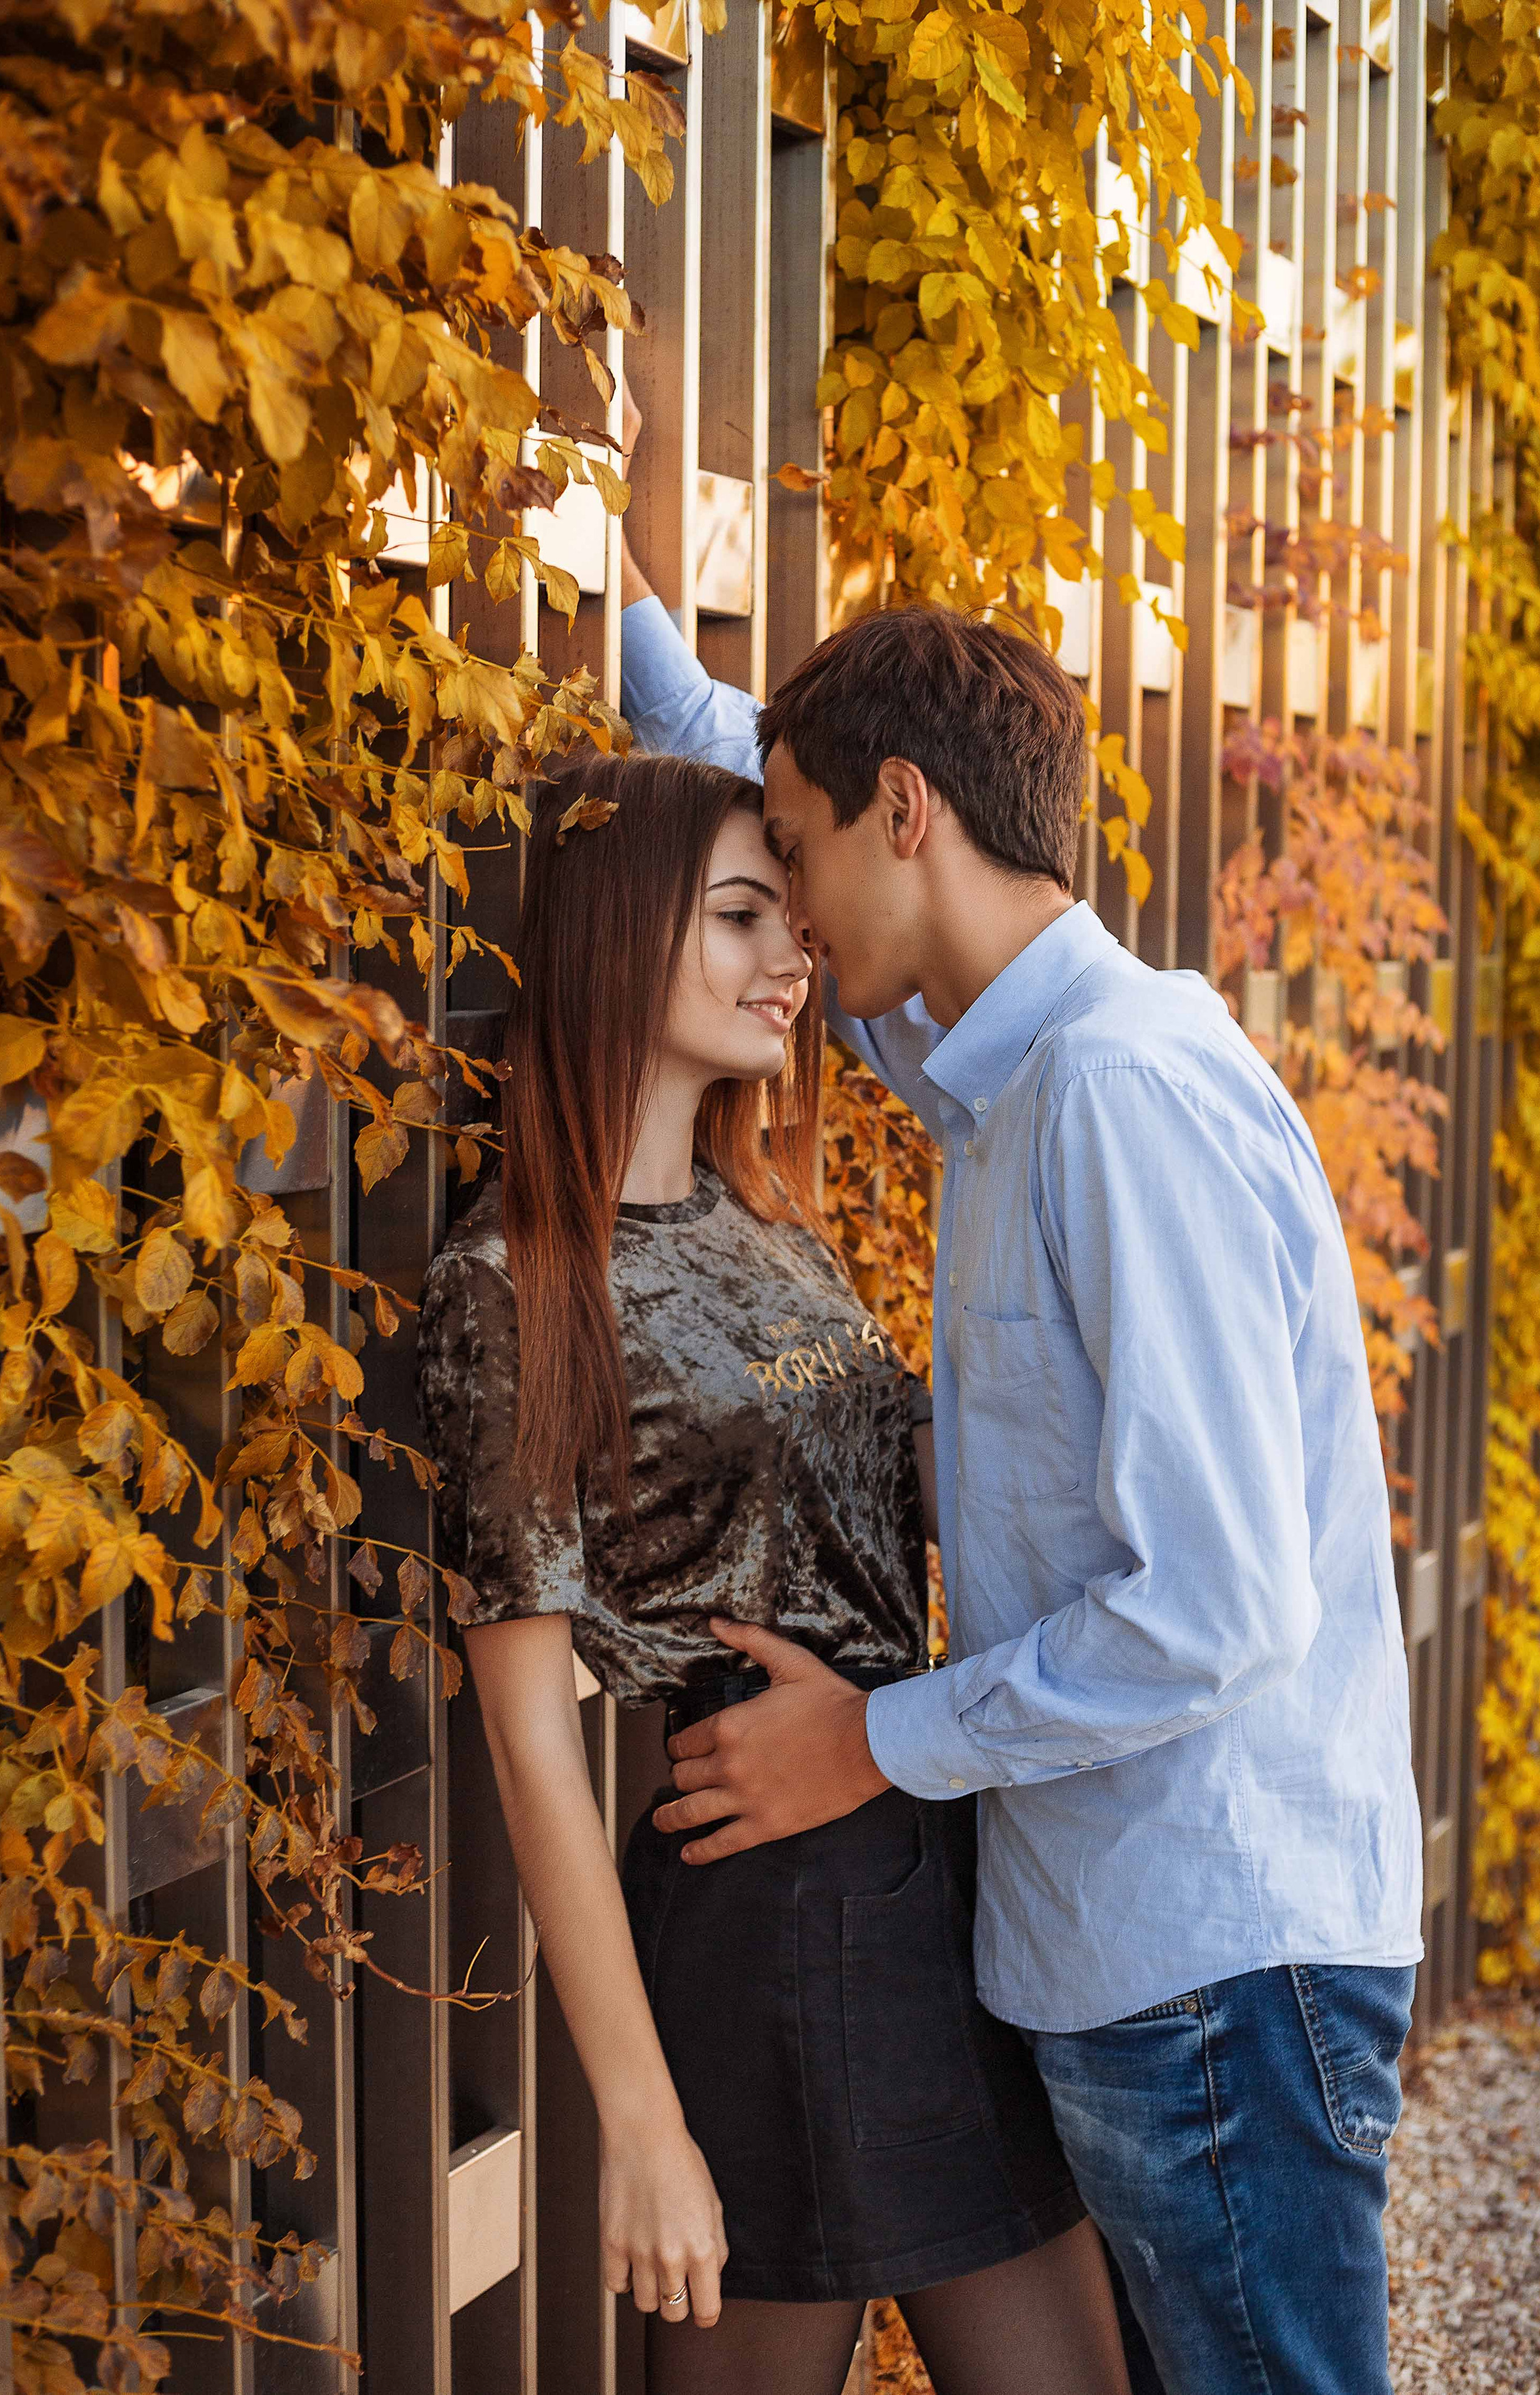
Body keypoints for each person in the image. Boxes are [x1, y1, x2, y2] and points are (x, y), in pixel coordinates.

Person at [616, 414, 1425, 2395]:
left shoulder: (1117, 1100)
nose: (785, 918)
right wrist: (617, 564)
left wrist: (870, 1747)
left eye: (791, 856)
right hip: (1139, 1953)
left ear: (908, 814)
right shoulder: (1007, 1070)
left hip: (1215, 1968)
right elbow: (746, 748)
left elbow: (1217, 1604)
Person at [416, 750, 1131, 2395]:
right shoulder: (519, 1280)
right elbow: (527, 1734)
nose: (791, 962)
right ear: (617, 934)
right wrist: (645, 2124)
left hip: (934, 1859)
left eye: (791, 917)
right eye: (740, 917)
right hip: (762, 1903)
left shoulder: (768, 1219)